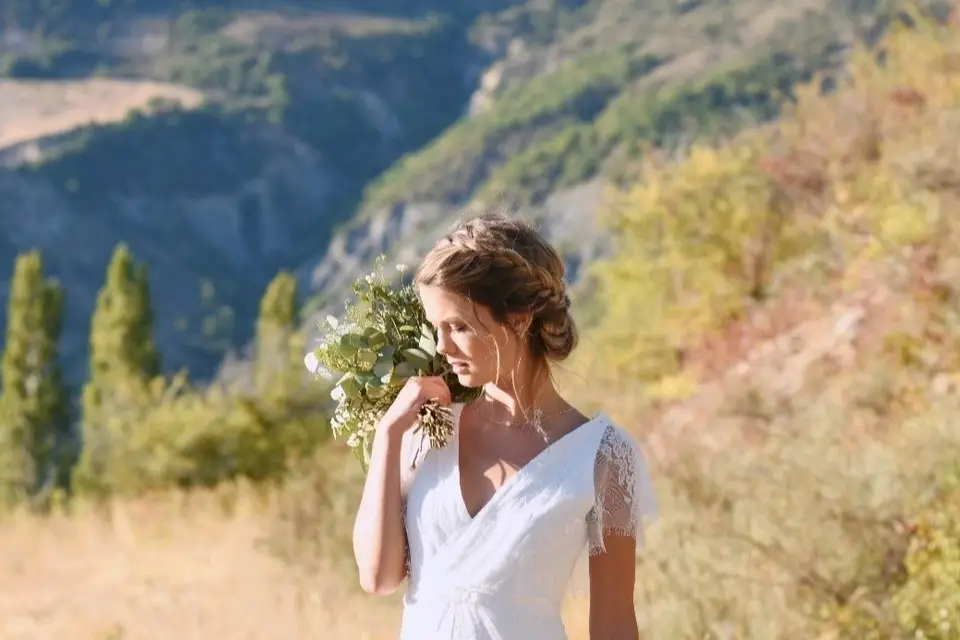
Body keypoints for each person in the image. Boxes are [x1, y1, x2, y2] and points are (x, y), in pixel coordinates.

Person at [351, 212, 658, 639]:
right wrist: (388, 434)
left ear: (519, 317)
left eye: (459, 326)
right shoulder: (428, 431)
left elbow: (614, 624)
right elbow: (377, 576)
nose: (442, 346)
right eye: (437, 328)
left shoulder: (602, 456)